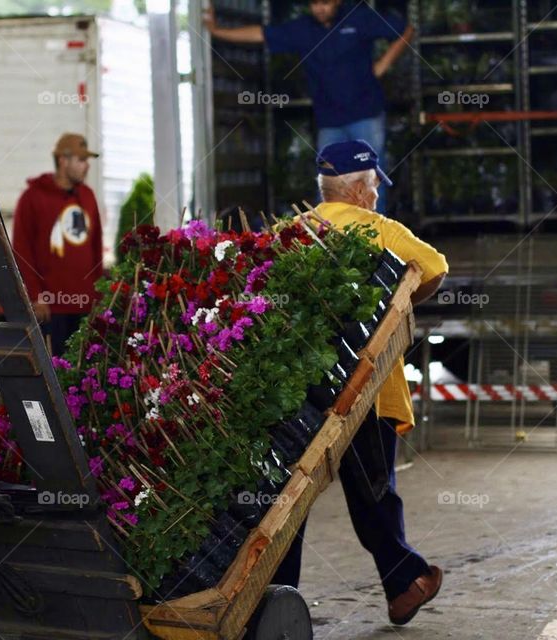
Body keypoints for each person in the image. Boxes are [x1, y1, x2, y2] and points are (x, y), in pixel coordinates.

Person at [273, 140, 447, 626]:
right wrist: (397, 306)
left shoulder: (292, 231)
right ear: (356, 189)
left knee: (287, 503)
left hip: (301, 394)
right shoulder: (378, 230)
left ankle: (274, 601)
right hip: (366, 390)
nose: (375, 196)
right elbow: (435, 266)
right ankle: (405, 582)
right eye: (372, 186)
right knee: (373, 492)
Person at [204, 0, 414, 210]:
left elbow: (406, 30)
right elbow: (261, 34)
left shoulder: (359, 17)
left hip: (366, 114)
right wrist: (217, 31)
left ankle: (375, 229)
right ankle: (327, 230)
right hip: (329, 121)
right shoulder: (302, 28)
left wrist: (383, 64)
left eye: (325, 3)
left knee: (370, 179)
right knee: (327, 184)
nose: (319, 8)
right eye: (314, 3)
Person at [13, 133, 104, 356]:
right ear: (63, 161)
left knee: (84, 369)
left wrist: (98, 297)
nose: (86, 166)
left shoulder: (88, 196)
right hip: (51, 308)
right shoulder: (32, 198)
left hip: (85, 307)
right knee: (54, 370)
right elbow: (22, 252)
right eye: (81, 160)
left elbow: (96, 248)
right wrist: (36, 296)